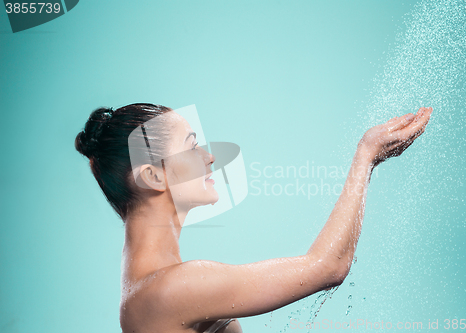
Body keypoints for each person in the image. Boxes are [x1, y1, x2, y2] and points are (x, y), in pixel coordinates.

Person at [75, 103, 433, 333]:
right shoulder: (169, 290)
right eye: (190, 146)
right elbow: (328, 266)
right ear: (153, 177)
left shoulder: (151, 289)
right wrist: (366, 157)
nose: (209, 158)